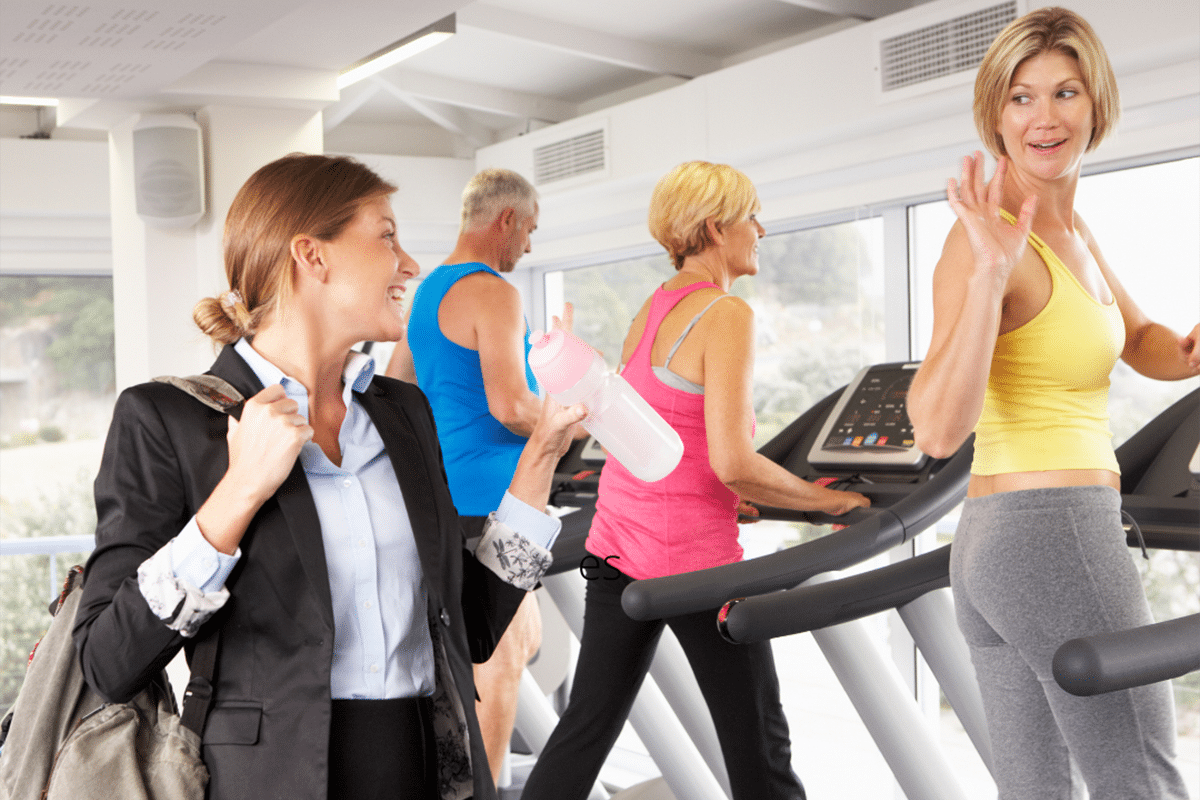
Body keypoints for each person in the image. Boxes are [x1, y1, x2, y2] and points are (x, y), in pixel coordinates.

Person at [72, 153, 586, 800]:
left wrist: (542, 452)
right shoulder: (167, 421)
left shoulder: (404, 414)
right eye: (387, 235)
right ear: (312, 257)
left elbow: (473, 626)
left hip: (427, 767)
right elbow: (109, 662)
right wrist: (237, 495)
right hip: (271, 780)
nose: (410, 264)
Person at [906, 8, 1199, 799]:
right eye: (1021, 98)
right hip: (1054, 533)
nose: (1044, 117)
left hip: (999, 549)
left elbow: (1145, 342)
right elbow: (935, 426)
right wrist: (991, 276)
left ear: (1096, 104)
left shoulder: (1073, 231)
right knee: (1143, 782)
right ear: (994, 115)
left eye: (1064, 93)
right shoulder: (987, 240)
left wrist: (1191, 346)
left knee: (1039, 792)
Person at [521, 161, 870, 800]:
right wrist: (828, 500)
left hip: (616, 549)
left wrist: (729, 498)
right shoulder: (726, 314)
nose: (761, 229)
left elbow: (653, 436)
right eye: (752, 215)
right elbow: (732, 461)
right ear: (716, 228)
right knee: (760, 751)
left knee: (586, 728)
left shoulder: (653, 309)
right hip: (696, 569)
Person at [397, 167, 578, 785]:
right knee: (502, 657)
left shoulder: (428, 293)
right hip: (495, 507)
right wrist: (574, 422)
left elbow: (399, 393)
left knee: (507, 645)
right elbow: (511, 405)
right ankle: (488, 787)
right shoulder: (495, 292)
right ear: (505, 219)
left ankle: (467, 780)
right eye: (527, 229)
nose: (527, 245)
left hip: (452, 503)